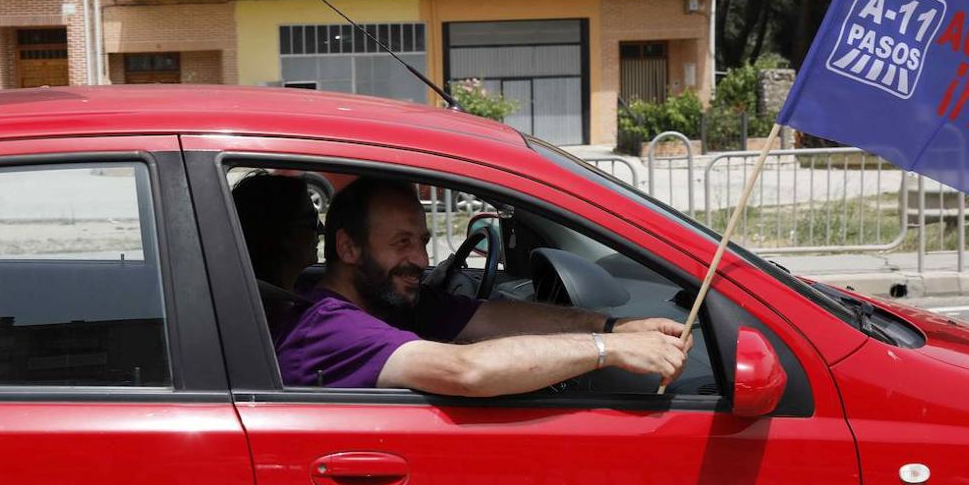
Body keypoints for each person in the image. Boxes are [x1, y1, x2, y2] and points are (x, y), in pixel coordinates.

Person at [274, 176, 689, 396]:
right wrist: (610, 351)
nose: (420, 260)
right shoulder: (328, 328)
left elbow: (490, 317)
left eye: (422, 241)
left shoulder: (387, 299)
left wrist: (611, 326)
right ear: (347, 247)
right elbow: (465, 371)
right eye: (401, 243)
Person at [231, 172, 323, 326]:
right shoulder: (279, 317)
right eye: (312, 219)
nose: (321, 229)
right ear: (284, 234)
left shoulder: (249, 298)